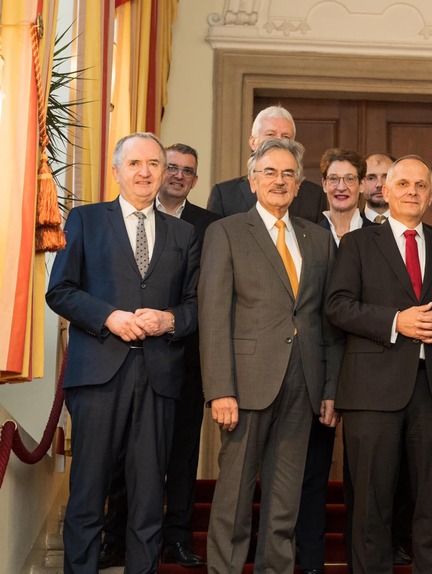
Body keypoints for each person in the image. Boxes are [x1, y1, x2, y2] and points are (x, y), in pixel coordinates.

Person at [47, 132, 200, 573]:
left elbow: (194, 307)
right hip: (98, 375)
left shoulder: (184, 233)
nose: (146, 172)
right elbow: (60, 291)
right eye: (135, 164)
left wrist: (169, 320)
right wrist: (109, 316)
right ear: (116, 171)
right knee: (88, 496)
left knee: (150, 499)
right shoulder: (85, 220)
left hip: (158, 379)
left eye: (155, 164)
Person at [326, 156, 432, 574]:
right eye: (403, 184)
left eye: (420, 185)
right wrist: (395, 321)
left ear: (431, 196)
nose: (412, 191)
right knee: (371, 509)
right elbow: (336, 306)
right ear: (385, 191)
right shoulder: (357, 244)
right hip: (372, 393)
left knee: (431, 509)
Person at [199, 138, 341, 574]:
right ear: (252, 181)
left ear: (299, 185)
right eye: (269, 173)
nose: (279, 181)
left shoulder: (318, 239)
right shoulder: (225, 231)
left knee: (285, 501)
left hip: (304, 384)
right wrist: (220, 389)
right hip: (245, 385)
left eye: (288, 175)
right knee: (235, 498)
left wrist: (330, 388)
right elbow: (213, 313)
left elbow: (327, 320)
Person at [97, 143, 218, 569]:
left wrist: (171, 321)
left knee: (179, 454)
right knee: (122, 459)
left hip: (182, 360)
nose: (177, 175)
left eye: (188, 171)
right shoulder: (112, 221)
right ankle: (116, 535)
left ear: (195, 180)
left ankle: (177, 536)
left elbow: (205, 296)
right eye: (172, 167)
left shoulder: (207, 225)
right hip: (121, 358)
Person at [295, 147, 373, 574]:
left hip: (369, 368)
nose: (342, 187)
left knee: (370, 475)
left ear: (362, 185)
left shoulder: (381, 234)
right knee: (311, 471)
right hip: (313, 367)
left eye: (350, 179)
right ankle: (310, 561)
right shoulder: (302, 233)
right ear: (323, 185)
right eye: (334, 179)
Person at [207, 105, 326, 222]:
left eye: (285, 136)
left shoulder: (314, 196)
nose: (278, 141)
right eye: (270, 135)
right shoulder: (224, 195)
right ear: (253, 142)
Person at [362, 153, 394, 222]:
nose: (379, 184)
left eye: (386, 177)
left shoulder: (411, 227)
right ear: (361, 183)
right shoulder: (351, 227)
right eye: (371, 178)